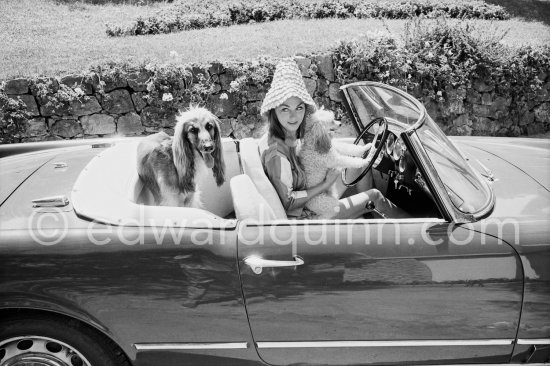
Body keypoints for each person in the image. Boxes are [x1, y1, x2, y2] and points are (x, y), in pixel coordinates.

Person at [259, 59, 408, 220]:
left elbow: (324, 149)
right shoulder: (277, 155)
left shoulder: (289, 134)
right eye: (285, 109)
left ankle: (366, 218)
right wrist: (326, 184)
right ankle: (418, 229)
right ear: (273, 111)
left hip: (314, 194)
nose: (294, 116)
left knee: (356, 150)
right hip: (306, 217)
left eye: (299, 107)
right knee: (375, 197)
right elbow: (289, 202)